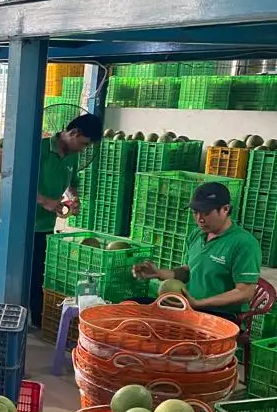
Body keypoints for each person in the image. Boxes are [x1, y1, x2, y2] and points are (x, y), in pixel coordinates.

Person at [133, 182, 261, 320]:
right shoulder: (197, 235)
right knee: (134, 306)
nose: (200, 219)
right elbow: (188, 270)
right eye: (195, 212)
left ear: (225, 209)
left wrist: (199, 303)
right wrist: (159, 273)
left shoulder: (244, 243)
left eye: (206, 213)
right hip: (190, 308)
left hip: (220, 316)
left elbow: (245, 292)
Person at [29, 113, 104, 327]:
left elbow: (72, 183)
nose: (84, 149)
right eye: (84, 143)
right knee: (30, 273)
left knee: (41, 271)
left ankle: (38, 317)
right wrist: (44, 201)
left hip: (46, 225)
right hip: (25, 224)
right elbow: (18, 180)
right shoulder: (39, 149)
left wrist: (73, 198)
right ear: (74, 133)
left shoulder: (72, 155)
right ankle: (29, 316)